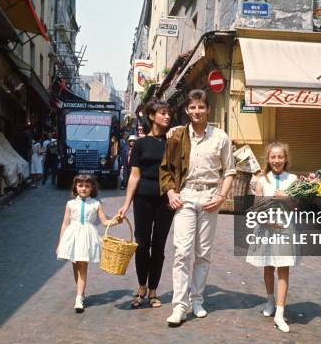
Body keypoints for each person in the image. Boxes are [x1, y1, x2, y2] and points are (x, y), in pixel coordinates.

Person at [160, 89, 236, 326]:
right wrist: (171, 192)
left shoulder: (221, 137)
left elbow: (230, 171)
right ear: (186, 110)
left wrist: (222, 196)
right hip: (186, 195)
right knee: (182, 251)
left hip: (211, 196)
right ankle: (179, 306)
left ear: (208, 109)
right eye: (192, 107)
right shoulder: (177, 135)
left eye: (201, 107)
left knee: (203, 253)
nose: (196, 111)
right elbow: (166, 169)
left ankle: (197, 299)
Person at [118, 100, 174, 309]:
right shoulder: (140, 144)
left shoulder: (172, 143)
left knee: (159, 246)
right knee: (142, 244)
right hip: (142, 198)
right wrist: (126, 204)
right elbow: (134, 176)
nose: (166, 117)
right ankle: (141, 286)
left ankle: (153, 290)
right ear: (152, 116)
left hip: (165, 200)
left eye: (168, 113)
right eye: (162, 113)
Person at [246, 142, 297, 333]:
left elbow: (298, 207)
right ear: (268, 159)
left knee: (283, 268)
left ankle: (280, 312)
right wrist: (266, 221)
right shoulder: (261, 181)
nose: (277, 161)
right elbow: (256, 208)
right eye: (273, 157)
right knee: (268, 266)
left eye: (280, 157)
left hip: (285, 228)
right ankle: (270, 301)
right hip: (266, 229)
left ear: (285, 159)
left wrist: (287, 199)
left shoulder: (293, 180)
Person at [56, 174, 114, 312]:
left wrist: (115, 221)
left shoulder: (95, 204)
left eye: (87, 186)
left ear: (92, 188)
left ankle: (79, 298)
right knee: (75, 266)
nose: (83, 188)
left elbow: (104, 221)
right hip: (73, 236)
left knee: (83, 266)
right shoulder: (70, 204)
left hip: (87, 237)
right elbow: (65, 223)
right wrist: (60, 242)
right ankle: (80, 292)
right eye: (80, 185)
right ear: (75, 187)